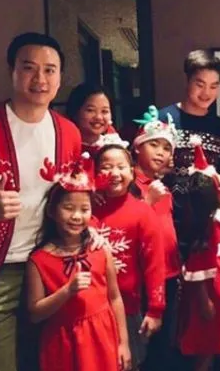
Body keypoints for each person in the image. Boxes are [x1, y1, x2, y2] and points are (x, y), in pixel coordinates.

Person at [0, 32, 83, 371]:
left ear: (60, 78)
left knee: (51, 359)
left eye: (50, 70)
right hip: (2, 268)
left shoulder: (68, 133)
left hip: (51, 264)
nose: (40, 79)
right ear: (12, 71)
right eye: (29, 68)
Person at [26, 153, 132, 371]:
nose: (76, 216)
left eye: (84, 209)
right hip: (63, 344)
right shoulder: (39, 261)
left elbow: (115, 297)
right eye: (68, 208)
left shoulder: (100, 249)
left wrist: (124, 343)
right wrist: (67, 291)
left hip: (102, 338)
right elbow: (35, 314)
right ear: (52, 211)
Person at [92, 139, 166, 370]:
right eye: (106, 167)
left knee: (128, 364)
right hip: (91, 310)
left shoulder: (142, 212)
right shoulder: (86, 210)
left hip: (129, 309)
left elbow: (155, 263)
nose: (114, 173)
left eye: (121, 167)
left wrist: (155, 309)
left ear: (132, 172)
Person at [130, 106, 185, 371]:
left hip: (169, 273)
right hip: (142, 277)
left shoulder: (166, 184)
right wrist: (147, 202)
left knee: (164, 347)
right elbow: (125, 226)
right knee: (142, 349)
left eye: (166, 147)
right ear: (137, 147)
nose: (161, 152)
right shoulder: (128, 183)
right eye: (154, 144)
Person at [176, 170, 220, 371]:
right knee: (208, 345)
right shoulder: (208, 224)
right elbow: (199, 264)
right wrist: (204, 300)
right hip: (209, 291)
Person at [158, 50, 220, 200]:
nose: (206, 93)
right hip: (165, 208)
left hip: (209, 209)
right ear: (187, 81)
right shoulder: (161, 120)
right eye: (200, 84)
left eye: (213, 86)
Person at [65, 83, 118, 156]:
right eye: (90, 110)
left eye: (104, 111)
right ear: (75, 112)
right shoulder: (65, 146)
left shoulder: (115, 144)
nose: (98, 117)